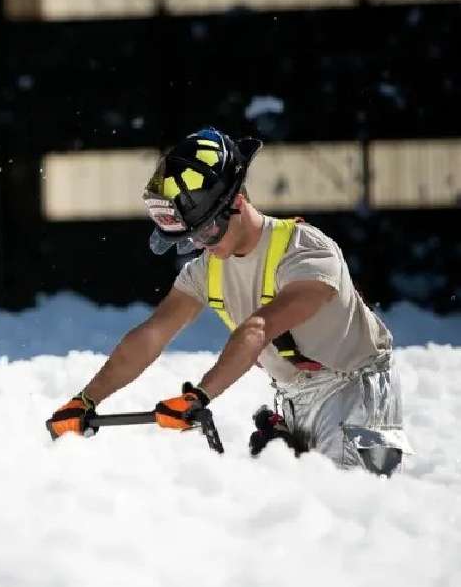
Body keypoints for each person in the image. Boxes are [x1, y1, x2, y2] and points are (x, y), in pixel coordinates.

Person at [45, 127, 412, 474]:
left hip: (360, 394)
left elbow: (260, 328)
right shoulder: (207, 269)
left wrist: (200, 396)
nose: (203, 244)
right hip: (295, 397)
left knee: (353, 507)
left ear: (237, 202)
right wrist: (86, 399)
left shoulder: (305, 250)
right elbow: (153, 334)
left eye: (207, 230)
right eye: (193, 238)